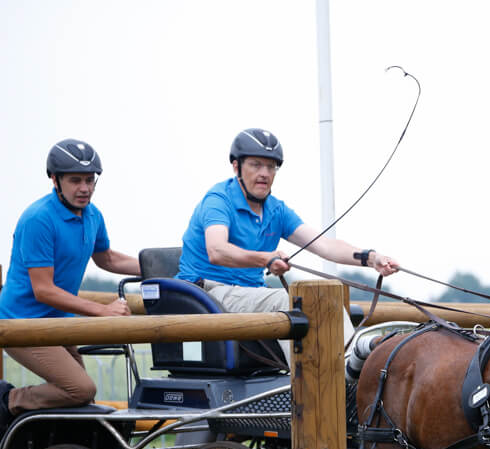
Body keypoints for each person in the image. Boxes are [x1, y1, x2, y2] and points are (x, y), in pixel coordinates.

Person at [176, 128, 399, 334]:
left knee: (326, 298)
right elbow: (216, 250)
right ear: (237, 167)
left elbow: (324, 245)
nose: (264, 173)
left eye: (271, 166)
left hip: (252, 293)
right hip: (207, 293)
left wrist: (372, 259)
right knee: (295, 300)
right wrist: (266, 258)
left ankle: (350, 360)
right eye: (256, 165)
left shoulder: (276, 210)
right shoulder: (219, 200)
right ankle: (342, 362)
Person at [0, 139, 140, 431]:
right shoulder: (39, 219)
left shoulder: (93, 215)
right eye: (75, 180)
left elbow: (107, 258)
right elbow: (43, 290)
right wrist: (102, 310)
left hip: (59, 322)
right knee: (81, 390)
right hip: (21, 324)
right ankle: (8, 400)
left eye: (90, 180)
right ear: (55, 180)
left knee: (80, 403)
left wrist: (159, 268)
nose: (84, 188)